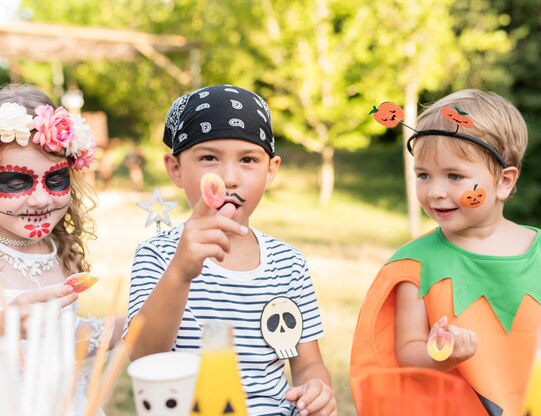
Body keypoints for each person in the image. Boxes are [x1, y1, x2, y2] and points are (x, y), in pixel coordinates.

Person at [350, 89, 541, 415]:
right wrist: (440, 353)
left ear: (504, 182)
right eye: (423, 175)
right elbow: (407, 352)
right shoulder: (415, 266)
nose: (436, 192)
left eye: (454, 176)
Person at [125, 84, 336, 416]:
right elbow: (143, 356)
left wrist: (317, 389)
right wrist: (180, 271)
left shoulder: (289, 263)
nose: (229, 177)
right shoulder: (158, 255)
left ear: (271, 170)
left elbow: (308, 364)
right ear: (175, 168)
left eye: (248, 160)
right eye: (209, 158)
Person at [0, 83, 125, 414]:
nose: (41, 198)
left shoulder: (57, 247)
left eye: (55, 180)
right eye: (15, 182)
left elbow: (67, 339)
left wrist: (129, 324)